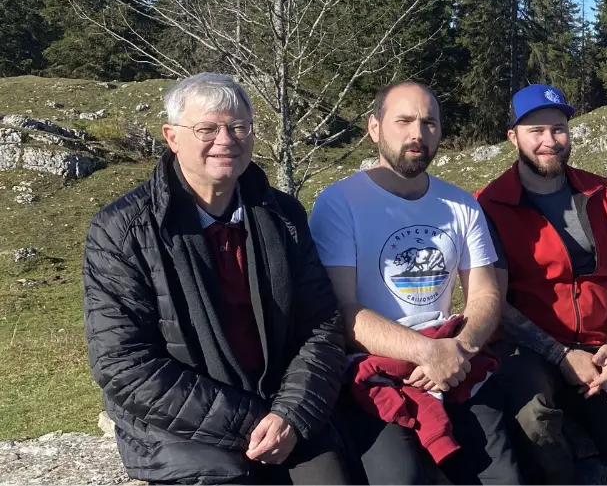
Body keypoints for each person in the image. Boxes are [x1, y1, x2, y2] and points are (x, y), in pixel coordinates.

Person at [83, 73, 348, 484]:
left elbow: (320, 326)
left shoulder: (283, 216)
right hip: (179, 430)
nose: (226, 140)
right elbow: (123, 363)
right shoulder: (122, 230)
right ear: (172, 137)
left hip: (281, 412)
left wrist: (291, 414)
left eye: (238, 127)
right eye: (206, 129)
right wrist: (250, 422)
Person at [309, 80, 511, 484]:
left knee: (502, 475)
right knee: (402, 477)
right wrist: (425, 352)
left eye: (429, 123)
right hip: (374, 370)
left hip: (452, 359)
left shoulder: (461, 204)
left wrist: (457, 350)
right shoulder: (339, 203)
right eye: (403, 121)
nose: (418, 133)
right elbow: (343, 311)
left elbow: (486, 293)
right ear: (374, 128)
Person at [475, 84, 607, 484]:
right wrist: (560, 356)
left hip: (600, 348)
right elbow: (494, 302)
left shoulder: (600, 192)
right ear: (513, 137)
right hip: (529, 351)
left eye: (558, 129)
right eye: (536, 131)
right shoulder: (490, 205)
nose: (550, 141)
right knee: (535, 419)